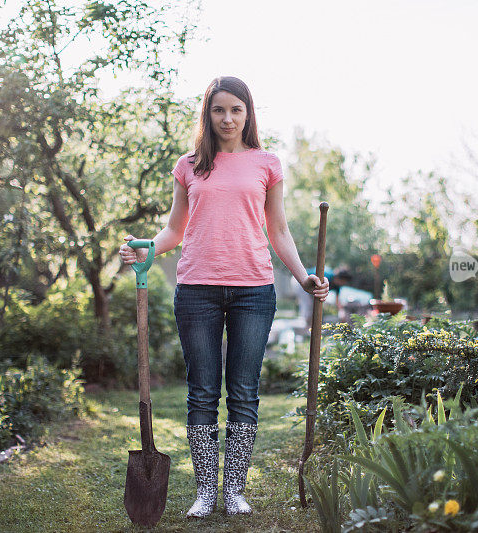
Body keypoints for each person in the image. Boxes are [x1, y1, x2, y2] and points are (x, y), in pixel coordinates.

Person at [119, 76, 329, 518]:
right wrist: (145, 248)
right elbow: (175, 230)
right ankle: (206, 492)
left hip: (254, 290)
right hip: (197, 290)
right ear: (208, 115)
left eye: (236, 109)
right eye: (219, 110)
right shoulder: (190, 164)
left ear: (248, 113)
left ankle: (233, 488)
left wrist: (304, 275)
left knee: (244, 393)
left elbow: (279, 230)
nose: (227, 118)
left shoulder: (266, 164)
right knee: (200, 393)